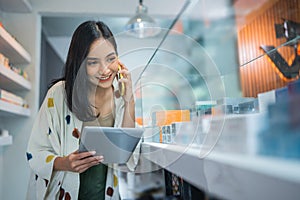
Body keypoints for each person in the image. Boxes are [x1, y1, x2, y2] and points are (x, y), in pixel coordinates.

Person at [26, 20, 138, 200]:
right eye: (93, 62)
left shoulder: (121, 94)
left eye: (111, 58)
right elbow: (35, 152)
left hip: (104, 194)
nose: (105, 70)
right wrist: (64, 163)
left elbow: (126, 155)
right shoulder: (59, 94)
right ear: (80, 64)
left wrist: (130, 100)